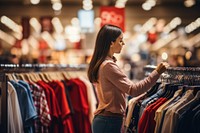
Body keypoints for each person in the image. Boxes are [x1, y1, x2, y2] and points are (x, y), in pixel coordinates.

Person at [87, 24, 169, 133]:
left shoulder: (105, 64)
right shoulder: (108, 66)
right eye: (120, 40)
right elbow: (133, 90)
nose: (123, 43)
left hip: (108, 120)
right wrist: (157, 73)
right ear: (111, 42)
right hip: (108, 121)